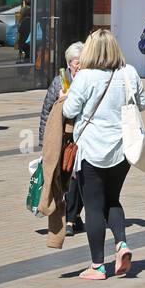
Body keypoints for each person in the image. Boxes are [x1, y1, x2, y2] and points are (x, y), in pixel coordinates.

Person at [61, 29, 145, 280]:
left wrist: (65, 95)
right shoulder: (128, 72)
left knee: (94, 208)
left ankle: (98, 266)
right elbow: (142, 103)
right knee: (113, 199)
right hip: (123, 150)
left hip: (92, 151)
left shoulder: (85, 77)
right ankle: (122, 244)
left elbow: (69, 109)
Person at [40, 41, 85, 236]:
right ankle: (71, 217)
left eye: (82, 61)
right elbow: (46, 111)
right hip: (63, 137)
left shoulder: (88, 79)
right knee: (67, 176)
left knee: (79, 176)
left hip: (83, 137)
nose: (80, 65)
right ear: (69, 63)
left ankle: (72, 218)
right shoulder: (60, 81)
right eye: (76, 62)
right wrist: (44, 142)